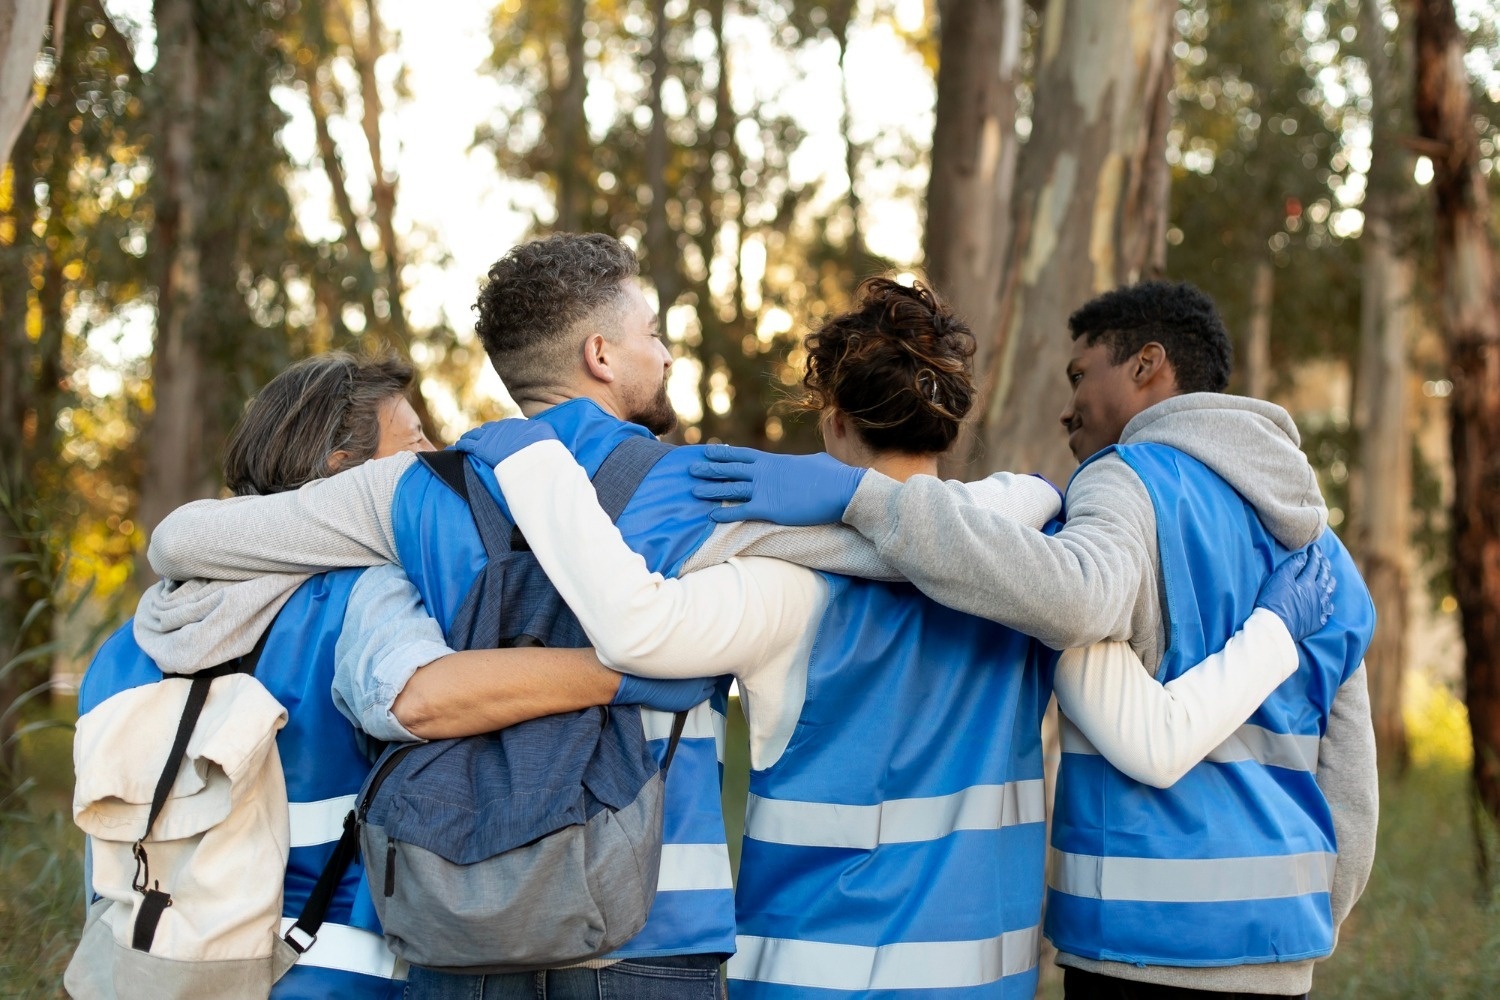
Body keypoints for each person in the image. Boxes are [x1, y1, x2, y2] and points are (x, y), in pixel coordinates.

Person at [145, 265, 1329, 999]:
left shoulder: (766, 571)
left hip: (771, 962)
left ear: (825, 418)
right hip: (976, 969)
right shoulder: (1029, 536)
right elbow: (1119, 688)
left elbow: (637, 619)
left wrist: (534, 467)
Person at [688, 280, 1378, 999]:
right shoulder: (1320, 549)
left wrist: (850, 505)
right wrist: (1304, 926)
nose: (1067, 405)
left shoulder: (1121, 484)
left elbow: (1074, 595)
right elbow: (1353, 782)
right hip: (1281, 950)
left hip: (1136, 942)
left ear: (1147, 366)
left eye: (1082, 376)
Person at [77, 353, 702, 999]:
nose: (437, 461)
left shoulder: (132, 641)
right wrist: (628, 673)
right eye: (414, 448)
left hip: (152, 965)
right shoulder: (358, 597)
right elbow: (421, 697)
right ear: (340, 473)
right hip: (326, 970)